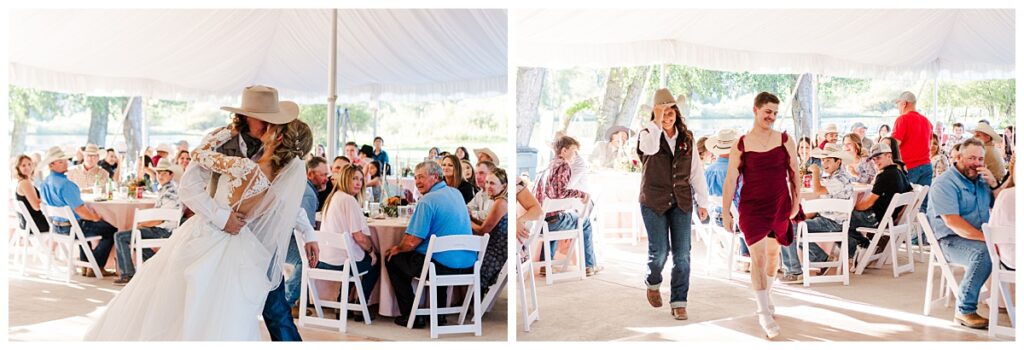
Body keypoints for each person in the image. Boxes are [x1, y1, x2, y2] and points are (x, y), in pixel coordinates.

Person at [85, 85, 317, 341]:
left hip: (255, 245)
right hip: (212, 236)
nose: (271, 125)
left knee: (273, 311)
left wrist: (308, 232)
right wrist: (221, 218)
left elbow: (284, 199)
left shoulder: (273, 156)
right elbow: (189, 188)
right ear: (250, 116)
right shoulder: (221, 141)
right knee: (187, 304)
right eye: (267, 119)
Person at [721, 92, 800, 338]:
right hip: (752, 207)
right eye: (768, 112)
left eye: (775, 113)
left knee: (774, 256)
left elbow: (795, 173)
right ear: (755, 110)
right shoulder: (741, 143)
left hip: (779, 205)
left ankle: (767, 295)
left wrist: (796, 204)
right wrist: (725, 212)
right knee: (758, 257)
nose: (772, 117)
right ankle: (763, 312)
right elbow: (731, 179)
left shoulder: (786, 139)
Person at [636, 88, 711, 321]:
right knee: (659, 252)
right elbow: (650, 149)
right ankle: (653, 281)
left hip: (681, 200)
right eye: (662, 112)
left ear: (677, 113)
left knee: (683, 255)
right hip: (653, 201)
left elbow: (696, 171)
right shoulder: (646, 133)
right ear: (656, 113)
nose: (667, 116)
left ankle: (679, 301)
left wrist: (702, 201)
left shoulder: (687, 138)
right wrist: (656, 123)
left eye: (671, 112)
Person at [383, 161, 476, 329]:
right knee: (436, 256)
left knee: (393, 260)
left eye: (421, 177)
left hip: (441, 266)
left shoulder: (427, 201)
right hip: (468, 263)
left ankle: (411, 315)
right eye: (415, 177)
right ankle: (439, 315)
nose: (417, 182)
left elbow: (411, 241)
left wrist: (397, 248)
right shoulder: (456, 193)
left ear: (435, 177)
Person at [927, 138, 1004, 330]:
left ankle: (1008, 301)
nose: (976, 163)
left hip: (976, 236)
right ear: (958, 157)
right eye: (971, 158)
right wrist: (989, 239)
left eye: (980, 159)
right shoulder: (944, 183)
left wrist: (994, 184)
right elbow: (953, 223)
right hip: (949, 241)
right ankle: (964, 310)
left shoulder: (981, 180)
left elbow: (1000, 206)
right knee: (985, 252)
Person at [38, 146, 118, 277]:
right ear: (51, 165)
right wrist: (95, 217)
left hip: (56, 227)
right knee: (111, 229)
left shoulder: (45, 182)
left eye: (65, 160)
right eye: (60, 161)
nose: (66, 163)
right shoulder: (67, 185)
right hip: (71, 229)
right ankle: (96, 265)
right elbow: (81, 211)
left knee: (82, 225)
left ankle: (86, 265)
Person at [316, 164, 380, 320]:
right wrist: (371, 252)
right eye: (354, 179)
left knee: (353, 256)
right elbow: (359, 237)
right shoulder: (349, 200)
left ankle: (343, 301)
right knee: (374, 262)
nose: (358, 183)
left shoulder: (333, 197)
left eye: (360, 179)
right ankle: (360, 305)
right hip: (341, 262)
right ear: (345, 179)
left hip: (324, 258)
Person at [536, 135, 599, 276]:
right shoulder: (564, 165)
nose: (575, 155)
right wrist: (581, 194)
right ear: (564, 151)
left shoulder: (549, 165)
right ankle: (589, 265)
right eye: (573, 151)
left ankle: (546, 265)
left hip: (540, 222)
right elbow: (561, 192)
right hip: (552, 222)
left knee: (557, 214)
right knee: (586, 222)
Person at [111, 159, 181, 285]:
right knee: (138, 237)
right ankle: (156, 266)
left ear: (171, 175)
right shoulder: (168, 188)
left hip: (165, 231)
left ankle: (127, 274)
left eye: (164, 173)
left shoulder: (170, 192)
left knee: (121, 236)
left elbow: (160, 219)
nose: (161, 176)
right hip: (164, 229)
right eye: (159, 173)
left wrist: (142, 224)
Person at [847, 142, 913, 260]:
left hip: (876, 218)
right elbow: (911, 193)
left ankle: (864, 246)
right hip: (888, 217)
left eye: (879, 157)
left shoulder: (885, 175)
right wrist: (899, 216)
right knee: (845, 219)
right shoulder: (899, 172)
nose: (876, 161)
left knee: (841, 220)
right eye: (874, 159)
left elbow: (868, 203)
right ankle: (863, 249)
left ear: (889, 155)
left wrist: (850, 208)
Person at [801, 144, 856, 274]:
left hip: (832, 222)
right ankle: (820, 258)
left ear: (838, 162)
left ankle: (814, 261)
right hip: (830, 219)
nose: (824, 163)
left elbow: (818, 190)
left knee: (792, 229)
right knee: (794, 225)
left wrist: (815, 172)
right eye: (823, 160)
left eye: (828, 160)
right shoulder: (835, 177)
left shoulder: (839, 179)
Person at [703, 129, 749, 269]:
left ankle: (745, 255)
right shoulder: (737, 170)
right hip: (733, 219)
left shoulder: (708, 170)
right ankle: (752, 256)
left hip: (715, 217)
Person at [891, 91, 934, 212]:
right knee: (922, 204)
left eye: (898, 104)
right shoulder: (926, 121)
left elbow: (894, 144)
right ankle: (921, 230)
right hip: (926, 165)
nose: (897, 107)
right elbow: (929, 143)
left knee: (902, 205)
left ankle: (904, 231)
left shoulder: (902, 119)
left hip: (909, 166)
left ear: (904, 103)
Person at [471, 167, 509, 293]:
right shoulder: (498, 200)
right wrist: (471, 217)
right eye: (487, 182)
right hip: (496, 246)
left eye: (492, 183)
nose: (487, 186)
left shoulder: (501, 203)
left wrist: (467, 220)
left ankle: (470, 299)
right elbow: (486, 224)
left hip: (497, 252)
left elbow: (483, 230)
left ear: (503, 186)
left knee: (466, 260)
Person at [13, 154, 50, 233]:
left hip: (28, 223)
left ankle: (47, 245)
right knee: (60, 226)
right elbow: (36, 206)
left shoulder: (24, 182)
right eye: (23, 165)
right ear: (18, 168)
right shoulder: (25, 183)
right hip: (35, 224)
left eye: (29, 164)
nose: (28, 167)